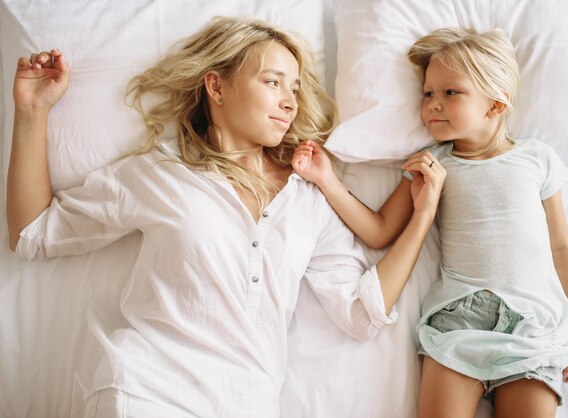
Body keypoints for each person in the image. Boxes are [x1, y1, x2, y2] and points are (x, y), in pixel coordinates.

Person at [6, 16, 445, 417]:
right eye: (273, 82)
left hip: (247, 404)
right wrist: (31, 111)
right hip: (144, 391)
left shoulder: (309, 195)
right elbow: (33, 233)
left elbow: (361, 312)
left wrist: (422, 217)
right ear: (216, 87)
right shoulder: (162, 173)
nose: (290, 102)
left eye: (294, 88)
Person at [291, 27, 568, 418]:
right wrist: (327, 179)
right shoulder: (433, 163)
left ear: (496, 104)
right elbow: (379, 230)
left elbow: (562, 248)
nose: (432, 104)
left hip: (534, 327)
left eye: (450, 92)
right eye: (428, 93)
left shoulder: (537, 159)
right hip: (458, 319)